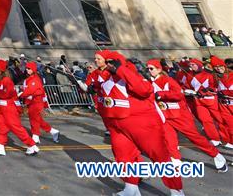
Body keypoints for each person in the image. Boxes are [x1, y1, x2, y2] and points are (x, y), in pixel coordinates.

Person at [90, 50, 183, 196]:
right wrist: (94, 88)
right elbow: (108, 94)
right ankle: (131, 188)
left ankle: (176, 190)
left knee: (159, 156)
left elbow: (144, 90)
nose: (106, 64)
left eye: (109, 62)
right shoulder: (107, 76)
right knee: (123, 156)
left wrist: (121, 69)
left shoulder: (131, 72)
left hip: (141, 123)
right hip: (117, 124)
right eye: (105, 62)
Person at [146, 59, 227, 172]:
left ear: (159, 69)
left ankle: (217, 155)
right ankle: (176, 161)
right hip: (165, 115)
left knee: (195, 138)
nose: (149, 71)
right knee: (169, 140)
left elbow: (178, 94)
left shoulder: (168, 80)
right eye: (147, 69)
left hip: (179, 115)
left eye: (151, 68)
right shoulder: (149, 82)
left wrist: (161, 94)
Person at [0, 59, 38, 156]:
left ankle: (31, 145)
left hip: (9, 108)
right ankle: (0, 146)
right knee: (0, 127)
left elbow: (6, 94)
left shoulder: (7, 80)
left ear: (1, 69)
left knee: (15, 127)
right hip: (1, 107)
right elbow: (0, 91)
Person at [181, 58, 232, 147]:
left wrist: (205, 91)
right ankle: (215, 138)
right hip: (199, 101)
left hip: (213, 101)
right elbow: (186, 86)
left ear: (199, 65)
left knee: (220, 120)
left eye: (193, 64)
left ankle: (226, 139)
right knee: (205, 120)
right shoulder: (189, 76)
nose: (192, 67)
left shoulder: (210, 75)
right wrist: (185, 90)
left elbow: (214, 87)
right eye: (190, 65)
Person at [21, 61, 60, 144]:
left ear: (33, 69)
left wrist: (20, 94)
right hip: (32, 102)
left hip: (36, 102)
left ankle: (35, 136)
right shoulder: (30, 79)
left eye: (29, 68)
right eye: (27, 68)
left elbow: (29, 91)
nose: (27, 70)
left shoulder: (35, 79)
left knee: (34, 119)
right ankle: (52, 131)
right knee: (37, 120)